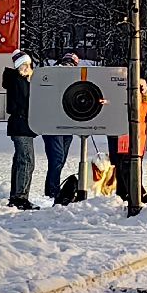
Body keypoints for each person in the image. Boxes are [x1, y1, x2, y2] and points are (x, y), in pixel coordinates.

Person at [108, 78, 147, 206]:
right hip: (126, 141)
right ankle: (126, 197)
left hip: (130, 142)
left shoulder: (140, 103)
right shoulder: (141, 102)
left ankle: (140, 199)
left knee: (128, 172)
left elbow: (136, 114)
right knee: (122, 171)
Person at [41, 52, 81, 202]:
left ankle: (52, 188)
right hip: (53, 125)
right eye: (68, 63)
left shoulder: (73, 80)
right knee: (57, 158)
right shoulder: (53, 77)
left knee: (60, 159)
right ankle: (52, 190)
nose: (69, 67)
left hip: (67, 125)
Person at [2, 50, 38, 209]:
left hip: (20, 125)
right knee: (26, 160)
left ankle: (17, 195)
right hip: (21, 125)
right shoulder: (19, 80)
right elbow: (25, 101)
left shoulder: (16, 79)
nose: (28, 68)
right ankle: (20, 197)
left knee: (20, 160)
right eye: (26, 65)